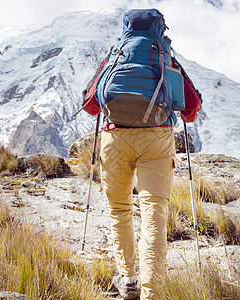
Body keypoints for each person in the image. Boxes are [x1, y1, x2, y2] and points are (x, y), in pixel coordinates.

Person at [81, 9, 201, 299]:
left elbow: (90, 103)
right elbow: (192, 107)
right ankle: (152, 291)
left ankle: (129, 279)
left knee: (120, 210)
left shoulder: (115, 57)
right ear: (159, 29)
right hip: (156, 139)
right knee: (154, 215)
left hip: (114, 137)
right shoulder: (164, 58)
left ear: (126, 29)